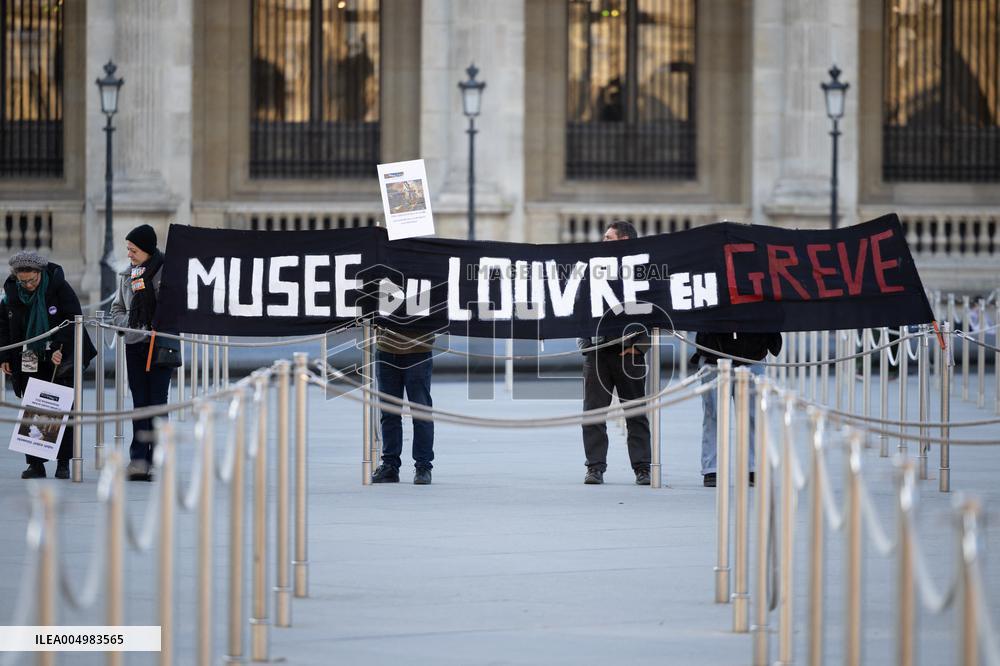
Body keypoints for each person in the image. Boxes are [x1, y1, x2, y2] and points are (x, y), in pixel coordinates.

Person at [0, 251, 96, 479]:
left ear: (40, 273)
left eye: (32, 280)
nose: (29, 285)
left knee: (62, 410)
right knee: (33, 408)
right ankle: (35, 463)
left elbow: (74, 320)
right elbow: (3, 325)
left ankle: (63, 462)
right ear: (16, 277)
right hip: (29, 358)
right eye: (24, 281)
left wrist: (58, 349)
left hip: (58, 359)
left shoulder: (59, 287)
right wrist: (4, 356)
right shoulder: (12, 292)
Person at [578, 220, 652, 485]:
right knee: (593, 414)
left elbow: (655, 308)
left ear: (624, 240)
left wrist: (640, 347)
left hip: (629, 353)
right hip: (597, 351)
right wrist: (585, 345)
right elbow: (579, 307)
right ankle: (595, 467)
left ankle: (642, 467)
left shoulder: (642, 270)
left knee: (635, 414)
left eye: (609, 238)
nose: (603, 241)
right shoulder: (592, 269)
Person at [110, 224, 172, 482]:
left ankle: (158, 459)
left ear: (146, 250)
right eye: (128, 249)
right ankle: (138, 460)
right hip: (135, 346)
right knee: (139, 404)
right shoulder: (126, 276)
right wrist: (132, 327)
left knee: (157, 403)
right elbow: (117, 310)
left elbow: (176, 309)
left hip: (159, 346)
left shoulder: (167, 273)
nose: (129, 255)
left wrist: (157, 323)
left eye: (133, 250)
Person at [690, 331, 783, 487]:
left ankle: (751, 466)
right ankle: (712, 468)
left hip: (752, 354)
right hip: (716, 355)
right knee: (714, 414)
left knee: (752, 416)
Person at [370, 326, 436, 485]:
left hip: (418, 350)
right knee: (389, 413)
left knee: (420, 412)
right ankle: (390, 466)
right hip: (386, 349)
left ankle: (423, 466)